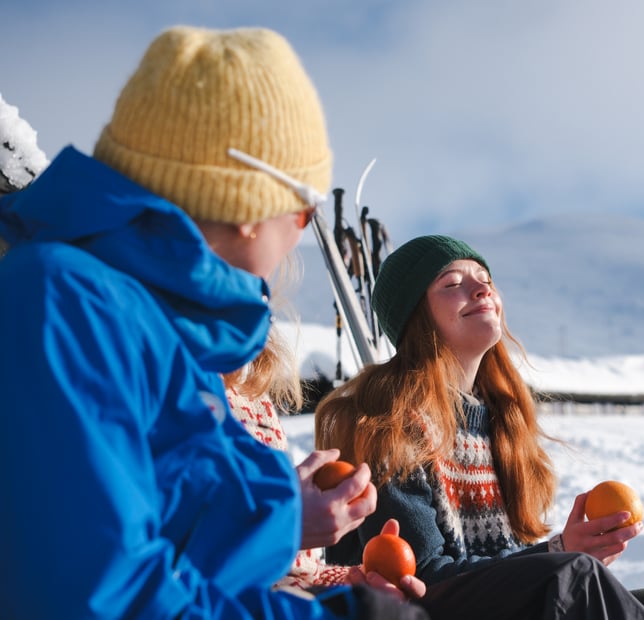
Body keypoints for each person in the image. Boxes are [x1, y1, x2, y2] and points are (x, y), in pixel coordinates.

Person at [0, 25, 427, 619]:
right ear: (250, 207)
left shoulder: (163, 329)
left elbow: (176, 532)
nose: (303, 229)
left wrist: (288, 517)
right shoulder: (65, 303)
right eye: (305, 208)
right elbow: (95, 596)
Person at [315, 235, 644, 620]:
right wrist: (558, 553)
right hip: (418, 611)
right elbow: (419, 576)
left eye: (486, 281)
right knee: (573, 577)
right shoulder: (387, 418)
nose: (481, 291)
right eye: (452, 283)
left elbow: (503, 569)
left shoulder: (496, 422)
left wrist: (559, 551)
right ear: (415, 316)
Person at [223, 327, 427, 601]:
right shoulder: (159, 401)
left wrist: (357, 582)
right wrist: (284, 524)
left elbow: (298, 571)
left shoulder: (252, 399)